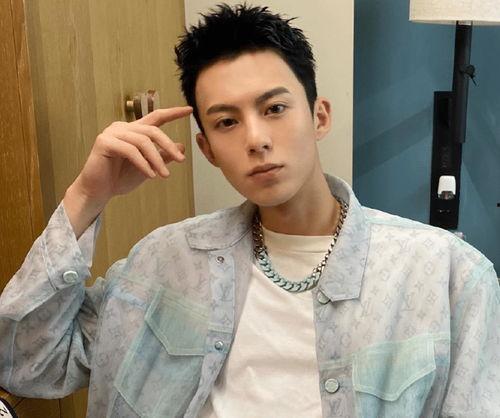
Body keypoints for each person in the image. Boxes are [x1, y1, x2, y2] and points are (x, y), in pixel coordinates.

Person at [0, 3, 499, 417]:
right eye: (226, 122)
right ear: (207, 149)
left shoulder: (447, 275)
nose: (256, 139)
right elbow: (27, 364)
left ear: (319, 116)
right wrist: (86, 197)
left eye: (274, 108)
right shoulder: (162, 262)